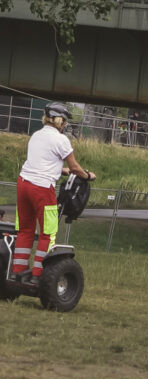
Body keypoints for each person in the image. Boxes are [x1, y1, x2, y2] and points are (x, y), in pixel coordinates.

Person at [11, 102, 96, 285]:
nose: (64, 125)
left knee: (25, 230)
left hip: (23, 183)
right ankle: (38, 275)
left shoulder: (36, 135)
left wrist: (61, 171)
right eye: (64, 121)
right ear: (59, 120)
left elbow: (43, 161)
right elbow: (74, 167)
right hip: (41, 188)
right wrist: (88, 175)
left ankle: (17, 272)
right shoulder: (61, 140)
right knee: (48, 233)